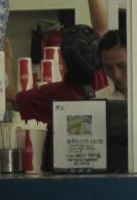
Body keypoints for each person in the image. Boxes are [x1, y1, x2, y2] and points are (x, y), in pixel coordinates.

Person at [7, 25, 101, 170]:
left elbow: (12, 98)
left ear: (64, 61)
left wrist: (7, 60)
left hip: (62, 175)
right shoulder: (106, 82)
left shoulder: (56, 94)